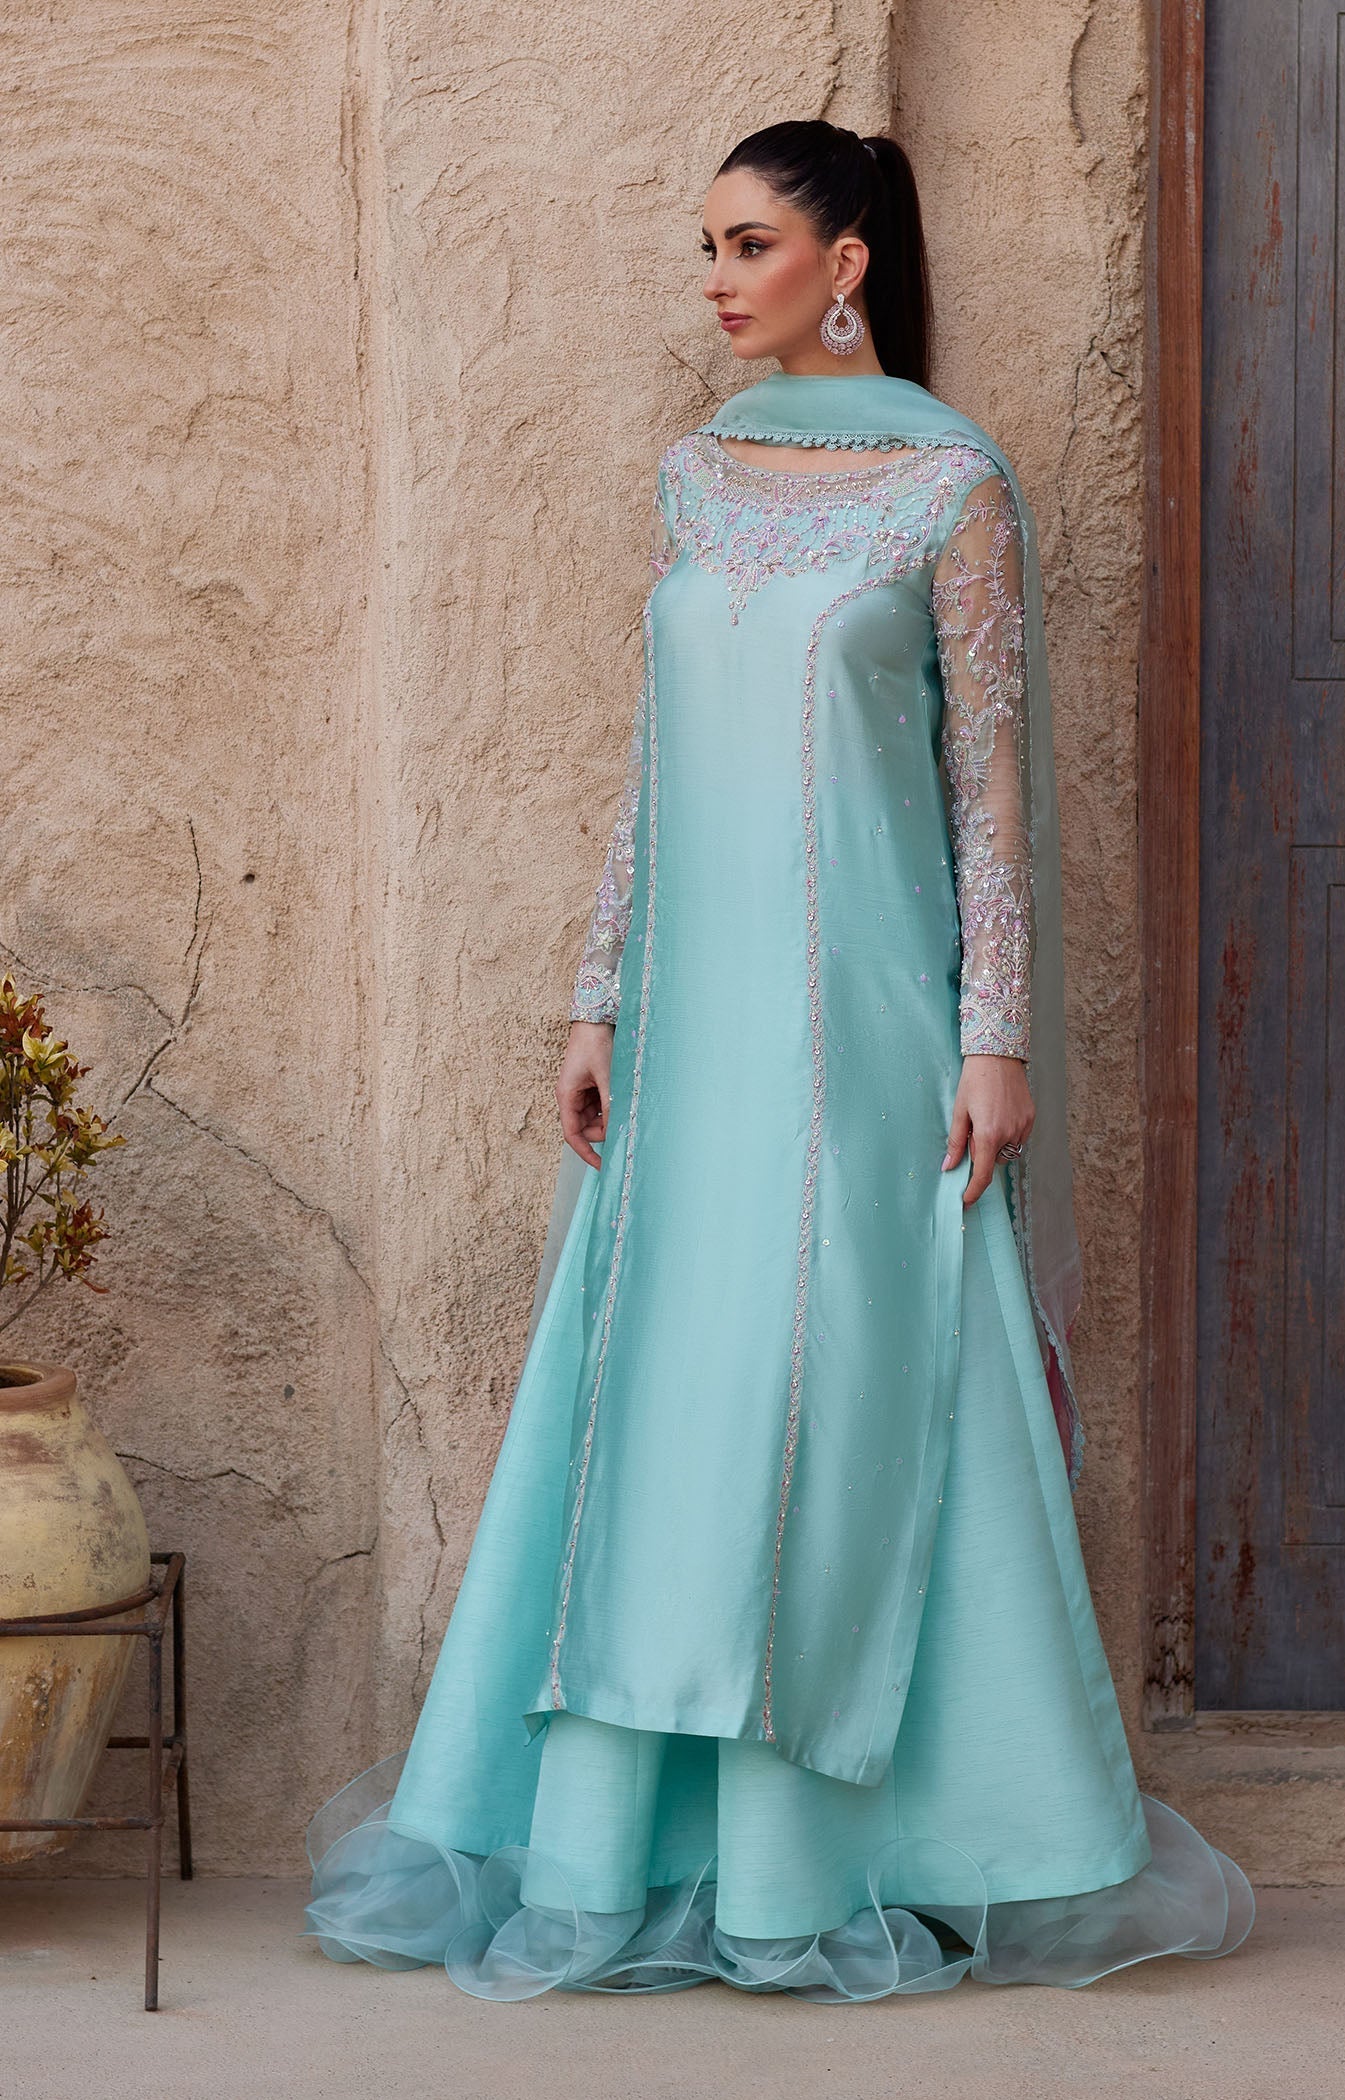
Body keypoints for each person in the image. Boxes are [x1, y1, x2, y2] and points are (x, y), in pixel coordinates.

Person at [300, 118, 1254, 2001]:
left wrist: (994, 1040)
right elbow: (651, 772)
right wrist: (597, 1000)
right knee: (665, 1405)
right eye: (710, 247)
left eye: (752, 244)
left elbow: (988, 795)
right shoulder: (700, 477)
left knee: (834, 1401)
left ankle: (818, 1869)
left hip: (870, 1041)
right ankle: (603, 1853)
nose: (720, 280)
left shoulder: (952, 490)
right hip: (688, 1037)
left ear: (848, 264)